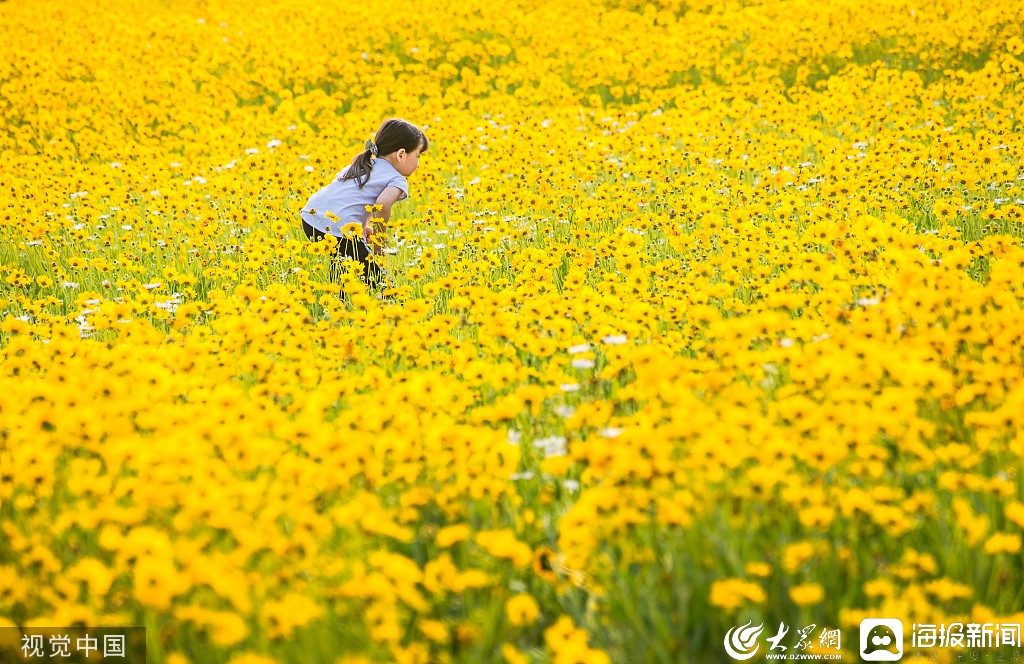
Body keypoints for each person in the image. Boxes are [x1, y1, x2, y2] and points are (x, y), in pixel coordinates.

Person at [300, 118, 428, 290]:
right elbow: (381, 204)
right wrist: (378, 242)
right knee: (377, 279)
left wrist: (361, 226)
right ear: (401, 154)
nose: (418, 164)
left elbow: (348, 197)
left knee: (342, 262)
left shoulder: (363, 163)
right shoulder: (396, 178)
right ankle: (393, 302)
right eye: (418, 156)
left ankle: (337, 302)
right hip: (337, 227)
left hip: (311, 219)